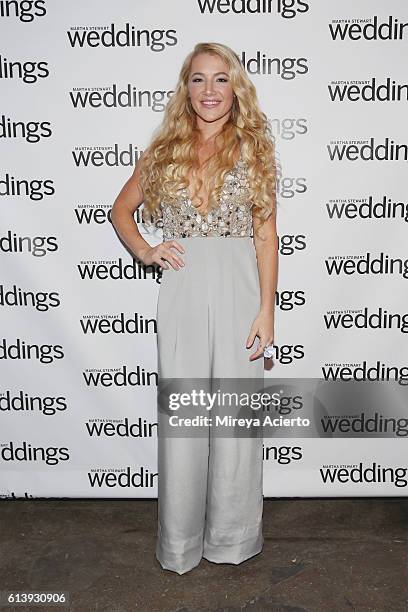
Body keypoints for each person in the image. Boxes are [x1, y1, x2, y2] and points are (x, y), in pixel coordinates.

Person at [111, 42, 279, 575]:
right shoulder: (163, 151)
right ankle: (180, 542)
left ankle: (230, 539)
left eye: (222, 79)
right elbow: (120, 211)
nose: (210, 91)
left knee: (233, 424)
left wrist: (267, 310)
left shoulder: (255, 149)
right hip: (181, 293)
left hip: (238, 293)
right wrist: (146, 250)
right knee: (184, 422)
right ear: (186, 87)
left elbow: (266, 235)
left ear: (237, 89)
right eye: (199, 79)